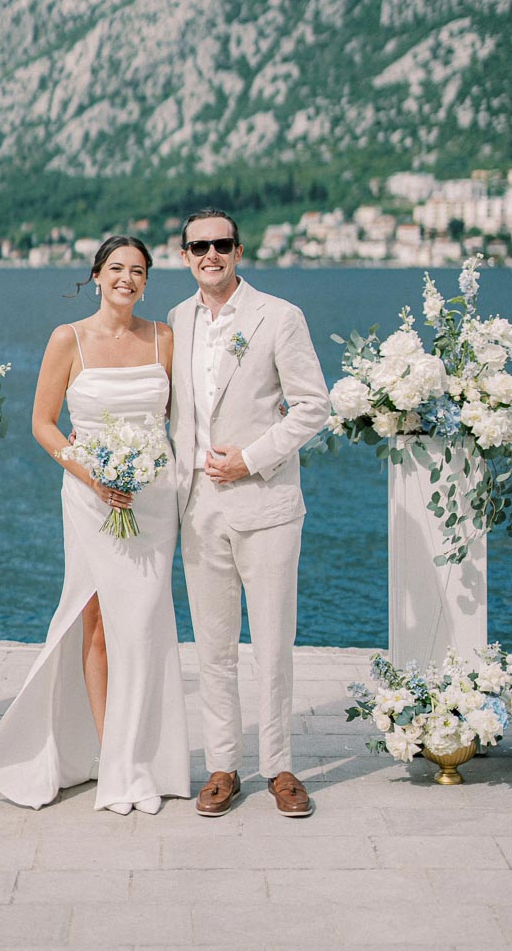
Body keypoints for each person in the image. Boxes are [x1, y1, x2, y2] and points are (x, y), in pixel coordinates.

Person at [0, 236, 190, 815]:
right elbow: (43, 424)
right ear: (97, 275)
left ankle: (146, 759)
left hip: (152, 500)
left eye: (138, 271)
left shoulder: (165, 338)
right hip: (91, 497)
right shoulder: (68, 338)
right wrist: (94, 476)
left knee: (144, 623)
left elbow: (186, 420)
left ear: (146, 281)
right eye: (117, 268)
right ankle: (115, 760)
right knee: (96, 621)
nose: (127, 278)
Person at [169, 209, 329, 818]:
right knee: (211, 646)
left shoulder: (279, 317)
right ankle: (222, 766)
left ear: (239, 250)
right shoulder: (176, 322)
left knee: (272, 642)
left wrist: (252, 458)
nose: (210, 254)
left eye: (221, 244)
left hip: (265, 503)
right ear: (185, 255)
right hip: (196, 507)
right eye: (198, 246)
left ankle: (281, 768)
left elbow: (313, 406)